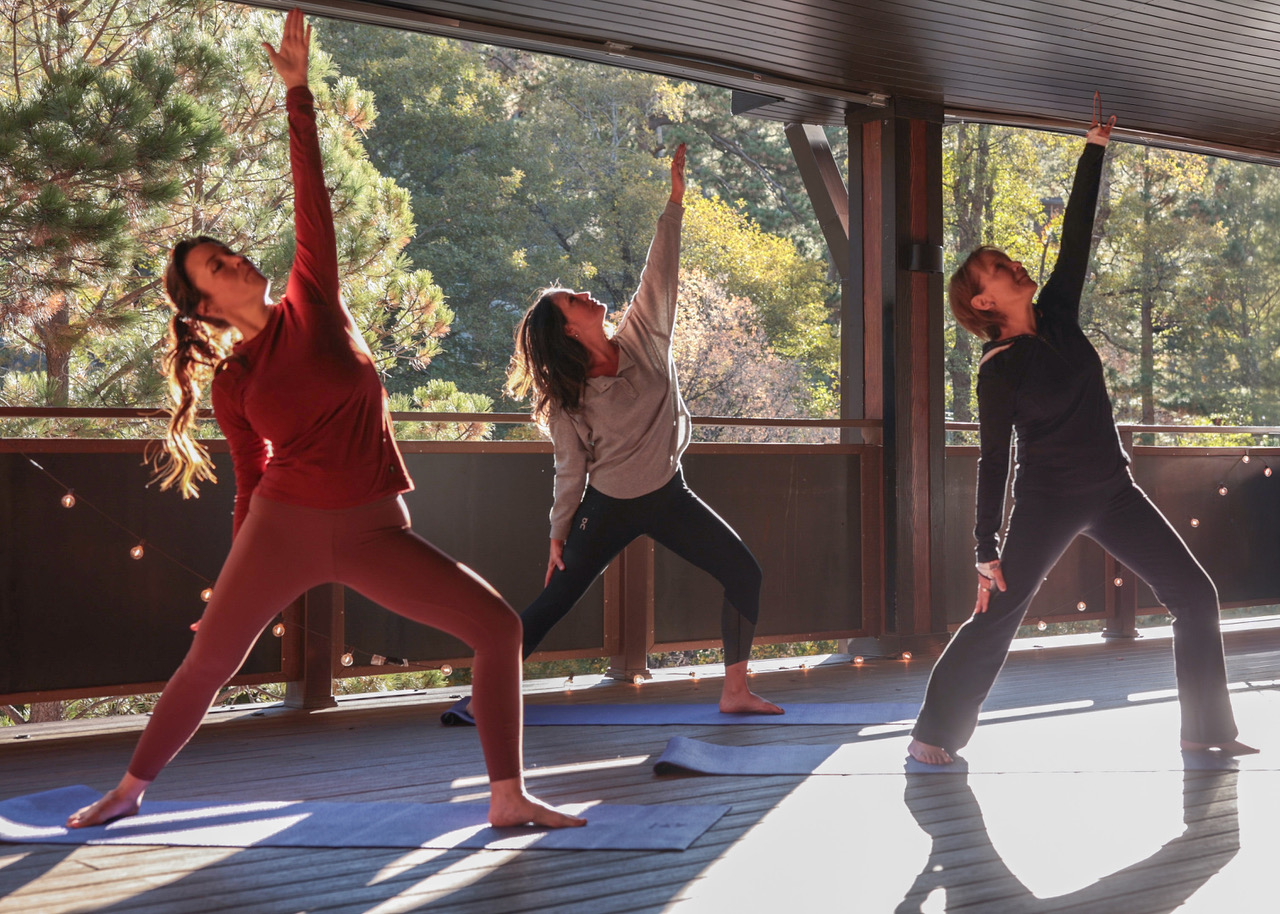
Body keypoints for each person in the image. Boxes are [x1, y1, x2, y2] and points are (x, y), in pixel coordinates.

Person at [67, 9, 584, 830]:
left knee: (496, 628)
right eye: (217, 266)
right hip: (282, 526)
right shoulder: (234, 380)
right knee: (209, 661)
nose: (237, 258)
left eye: (229, 249)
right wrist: (234, 578)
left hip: (374, 527)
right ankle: (127, 791)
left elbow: (313, 203)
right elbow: (249, 481)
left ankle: (507, 796)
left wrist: (298, 94)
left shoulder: (314, 299)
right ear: (205, 306)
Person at [907, 97, 1257, 765]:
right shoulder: (998, 369)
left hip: (1114, 491)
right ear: (982, 301)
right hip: (1049, 499)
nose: (1015, 265)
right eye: (999, 268)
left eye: (1009, 259)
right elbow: (992, 460)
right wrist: (985, 546)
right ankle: (932, 735)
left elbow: (1077, 236)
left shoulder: (1059, 313)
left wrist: (1094, 149)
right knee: (998, 615)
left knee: (1195, 596)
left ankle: (1205, 728)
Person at [505, 143, 780, 715]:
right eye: (574, 300)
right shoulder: (568, 399)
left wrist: (675, 202)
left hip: (669, 496)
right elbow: (569, 470)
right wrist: (558, 533)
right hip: (606, 508)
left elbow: (660, 270)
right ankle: (487, 694)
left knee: (744, 574)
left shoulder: (644, 337)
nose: (586, 295)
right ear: (569, 330)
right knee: (555, 600)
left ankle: (735, 692)